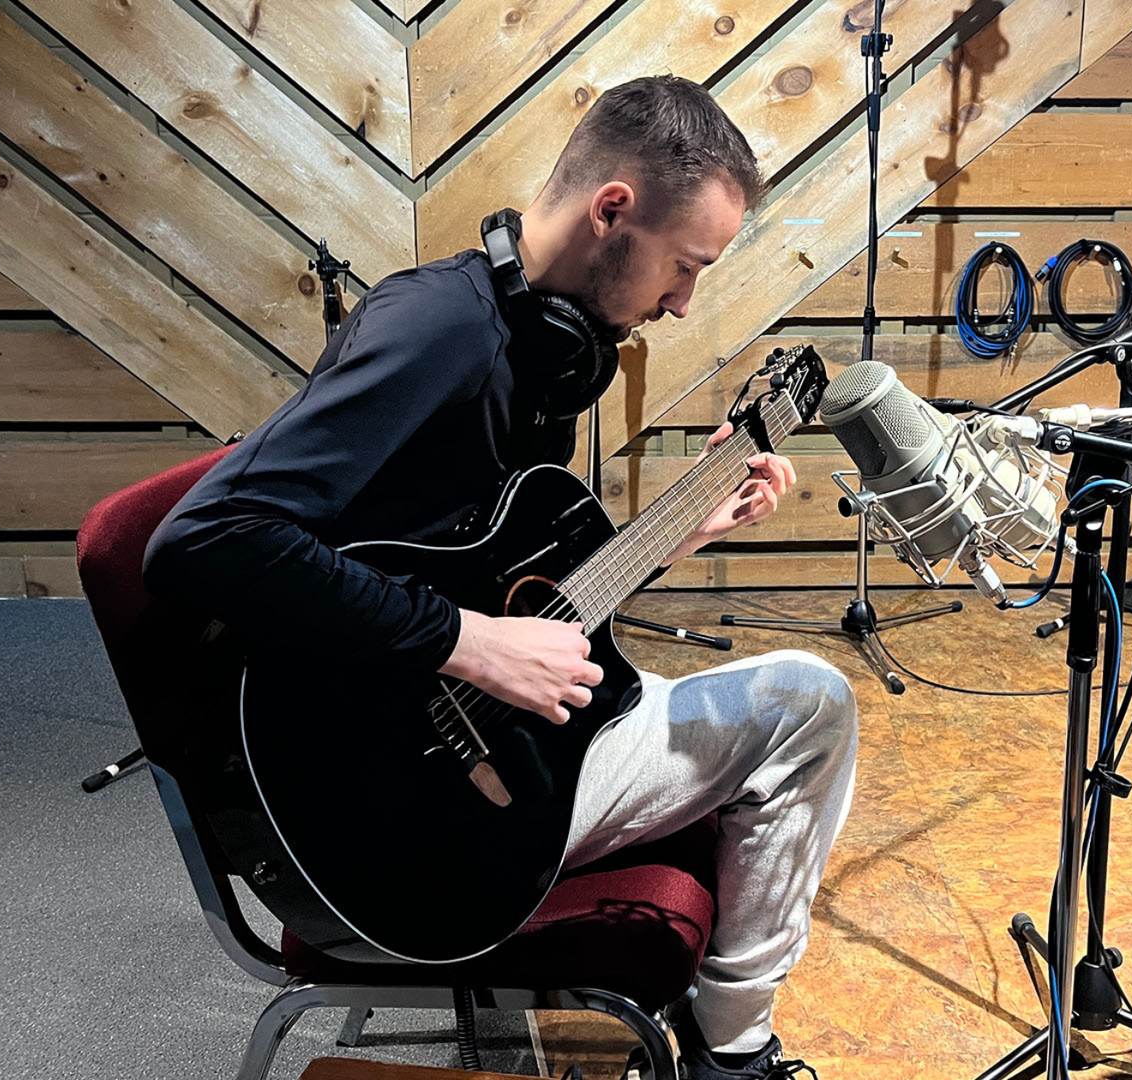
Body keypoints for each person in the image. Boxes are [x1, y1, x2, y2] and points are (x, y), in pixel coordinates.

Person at [141, 75, 857, 1080]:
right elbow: (203, 539)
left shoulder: (531, 341)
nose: (685, 303)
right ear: (613, 209)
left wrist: (679, 534)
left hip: (491, 730)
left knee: (748, 699)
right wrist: (469, 644)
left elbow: (495, 572)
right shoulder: (439, 332)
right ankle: (732, 1050)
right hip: (415, 806)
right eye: (684, 266)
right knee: (811, 706)